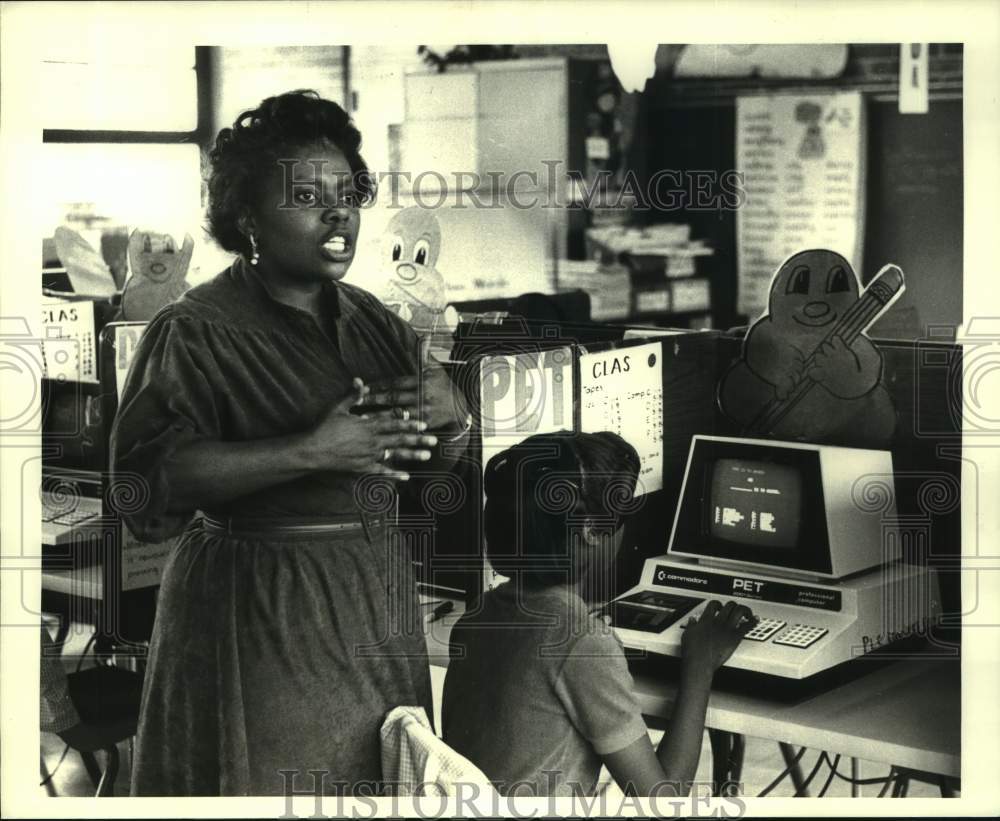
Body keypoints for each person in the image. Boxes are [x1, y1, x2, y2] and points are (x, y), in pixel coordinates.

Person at [111, 90, 469, 796]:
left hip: (372, 599)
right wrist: (312, 449)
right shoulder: (195, 329)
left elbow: (429, 472)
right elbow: (144, 484)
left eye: (347, 193)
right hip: (260, 603)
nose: (338, 212)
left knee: (380, 777)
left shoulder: (373, 319)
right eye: (307, 195)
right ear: (247, 216)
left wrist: (454, 417)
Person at [441, 431, 754, 797]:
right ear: (591, 531)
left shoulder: (476, 617)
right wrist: (700, 665)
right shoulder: (582, 643)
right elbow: (663, 800)